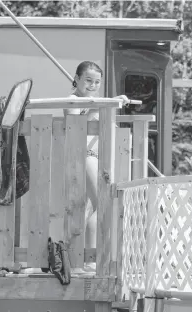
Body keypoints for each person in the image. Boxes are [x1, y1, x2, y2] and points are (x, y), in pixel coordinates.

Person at [64, 61, 129, 249]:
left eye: (97, 82)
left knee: (90, 207)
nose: (92, 86)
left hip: (96, 156)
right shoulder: (71, 99)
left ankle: (79, 255)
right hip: (84, 155)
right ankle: (91, 259)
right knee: (102, 202)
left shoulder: (93, 101)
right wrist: (99, 106)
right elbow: (74, 119)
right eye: (88, 80)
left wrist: (111, 102)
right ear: (76, 79)